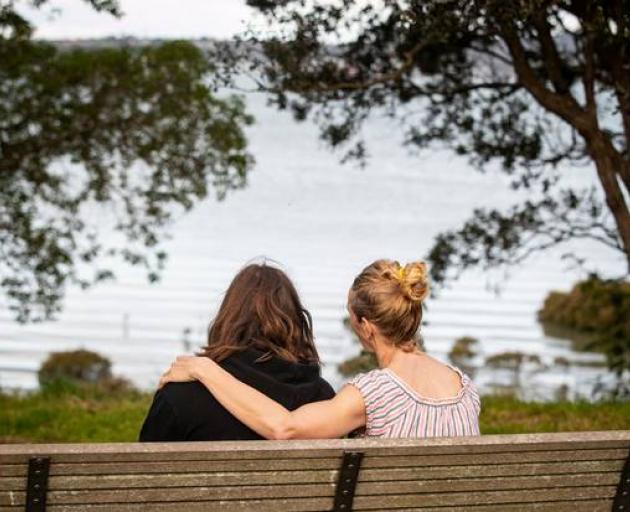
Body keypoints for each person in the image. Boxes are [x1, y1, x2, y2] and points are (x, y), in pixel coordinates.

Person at [160, 259, 481, 439]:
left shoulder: (371, 395)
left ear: (366, 326)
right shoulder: (465, 387)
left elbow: (284, 428)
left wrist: (204, 368)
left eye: (350, 316)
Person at [139, 262, 335, 441]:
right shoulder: (324, 399)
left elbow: (144, 471)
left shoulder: (181, 394)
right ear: (294, 319)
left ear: (228, 316)